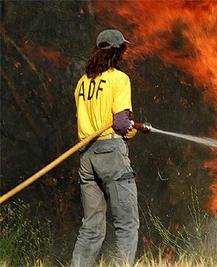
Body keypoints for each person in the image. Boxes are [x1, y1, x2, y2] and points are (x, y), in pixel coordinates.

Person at [71, 29, 139, 267]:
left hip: (86, 156)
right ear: (118, 51)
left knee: (91, 227)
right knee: (126, 223)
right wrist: (132, 129)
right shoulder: (118, 79)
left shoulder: (82, 82)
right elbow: (120, 123)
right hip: (110, 151)